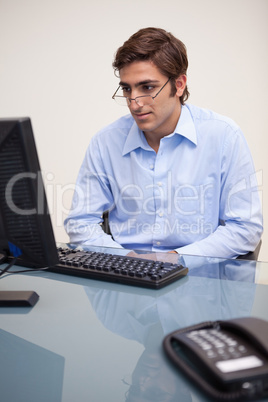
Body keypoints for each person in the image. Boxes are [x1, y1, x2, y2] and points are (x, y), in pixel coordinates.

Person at [64, 27, 263, 259]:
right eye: (127, 89)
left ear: (179, 85)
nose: (135, 103)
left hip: (198, 279)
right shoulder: (106, 142)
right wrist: (128, 261)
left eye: (147, 88)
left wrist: (174, 258)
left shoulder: (224, 136)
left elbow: (245, 229)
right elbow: (80, 223)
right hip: (126, 278)